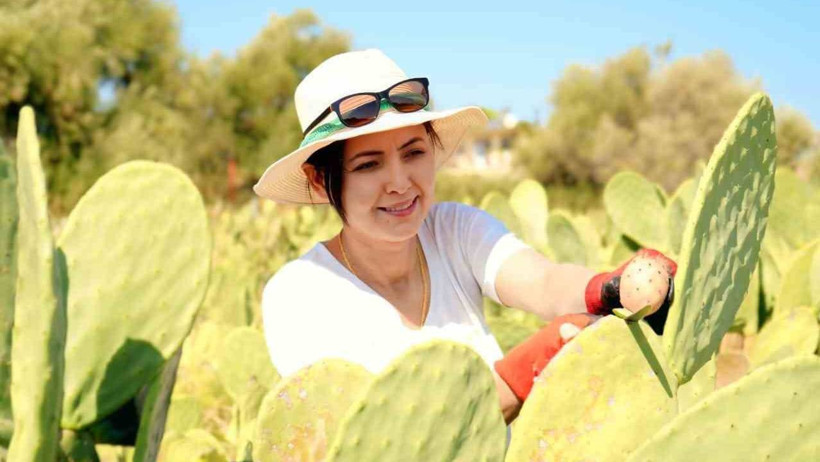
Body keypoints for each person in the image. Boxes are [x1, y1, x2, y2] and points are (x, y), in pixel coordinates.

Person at [253, 49, 676, 424]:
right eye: (368, 165)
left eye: (414, 152)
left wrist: (608, 288)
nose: (400, 183)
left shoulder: (453, 230)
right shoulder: (299, 295)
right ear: (319, 178)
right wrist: (523, 372)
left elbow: (542, 282)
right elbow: (394, 438)